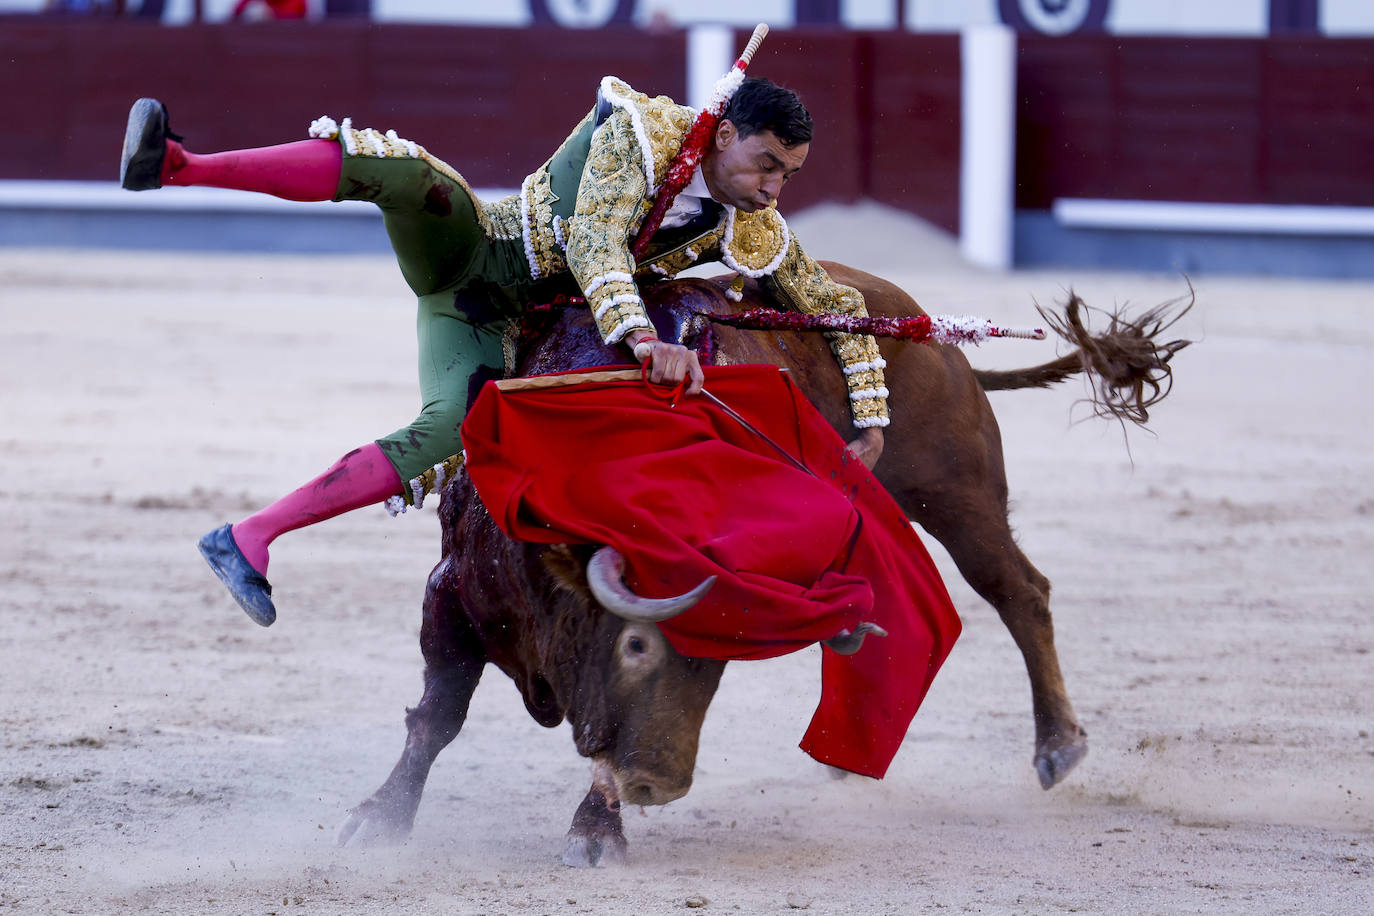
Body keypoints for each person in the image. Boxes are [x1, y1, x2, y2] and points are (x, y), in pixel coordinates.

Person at [118, 75, 891, 628]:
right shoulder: (641, 133)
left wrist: (873, 411)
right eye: (766, 166)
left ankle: (249, 536)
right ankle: (180, 167)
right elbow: (593, 241)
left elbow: (838, 306)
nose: (773, 190)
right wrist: (646, 337)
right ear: (724, 135)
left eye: (788, 176)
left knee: (451, 428)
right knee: (413, 175)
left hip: (494, 323)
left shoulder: (753, 230)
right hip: (479, 249)